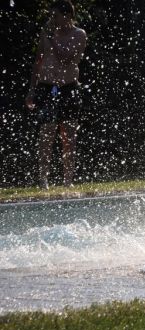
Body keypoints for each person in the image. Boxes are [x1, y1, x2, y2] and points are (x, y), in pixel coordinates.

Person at [25, 0, 87, 189]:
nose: (52, 19)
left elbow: (66, 57)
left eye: (55, 15)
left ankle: (68, 180)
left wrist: (51, 39)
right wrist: (31, 90)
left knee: (68, 136)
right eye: (51, 16)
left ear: (67, 15)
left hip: (68, 88)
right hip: (46, 88)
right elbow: (38, 62)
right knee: (46, 134)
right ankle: (43, 179)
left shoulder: (79, 34)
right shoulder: (47, 35)